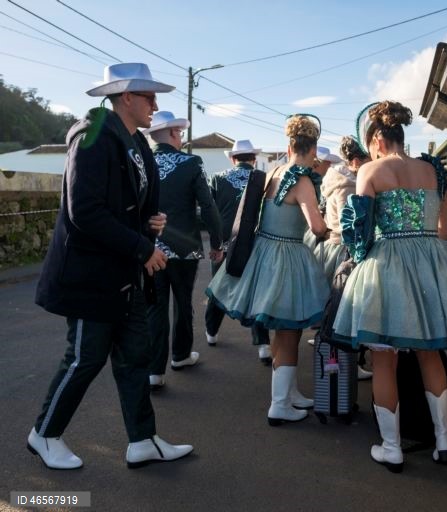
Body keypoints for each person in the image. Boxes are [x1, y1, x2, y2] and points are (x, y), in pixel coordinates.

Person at [30, 63, 193, 469]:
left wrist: (150, 222)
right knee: (85, 357)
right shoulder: (93, 136)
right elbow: (84, 210)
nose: (156, 104)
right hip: (91, 276)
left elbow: (126, 204)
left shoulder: (135, 141)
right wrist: (142, 246)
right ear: (127, 97)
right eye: (150, 96)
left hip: (123, 274)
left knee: (134, 356)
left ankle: (143, 440)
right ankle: (44, 434)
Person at [332, 101, 447, 472]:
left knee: (384, 361)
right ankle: (444, 442)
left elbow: (360, 233)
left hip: (388, 264)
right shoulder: (432, 170)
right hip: (432, 261)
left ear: (378, 140)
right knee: (430, 354)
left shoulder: (370, 170)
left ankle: (391, 447)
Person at [206, 115, 329, 425]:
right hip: (288, 257)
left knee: (284, 331)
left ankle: (289, 394)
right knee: (289, 332)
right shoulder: (302, 179)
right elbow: (316, 227)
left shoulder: (273, 171)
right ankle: (279, 405)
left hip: (264, 253)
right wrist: (331, 228)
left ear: (289, 145)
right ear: (312, 147)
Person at [143, 111, 224, 390]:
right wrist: (217, 243)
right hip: (185, 247)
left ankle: (154, 370)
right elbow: (209, 206)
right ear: (175, 134)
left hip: (147, 247)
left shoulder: (138, 161)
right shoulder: (192, 162)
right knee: (182, 302)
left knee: (154, 307)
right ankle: (180, 356)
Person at [205, 139, 272, 365]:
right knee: (256, 292)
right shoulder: (264, 180)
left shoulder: (218, 178)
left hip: (225, 242)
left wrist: (215, 243)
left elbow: (210, 212)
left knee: (219, 288)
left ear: (233, 159)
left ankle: (211, 332)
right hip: (254, 242)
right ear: (253, 159)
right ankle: (263, 344)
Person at [313, 136, 373, 380]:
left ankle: (335, 363)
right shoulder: (351, 184)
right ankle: (345, 365)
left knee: (333, 309)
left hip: (329, 248)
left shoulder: (333, 178)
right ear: (357, 161)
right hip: (345, 249)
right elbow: (352, 224)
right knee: (346, 310)